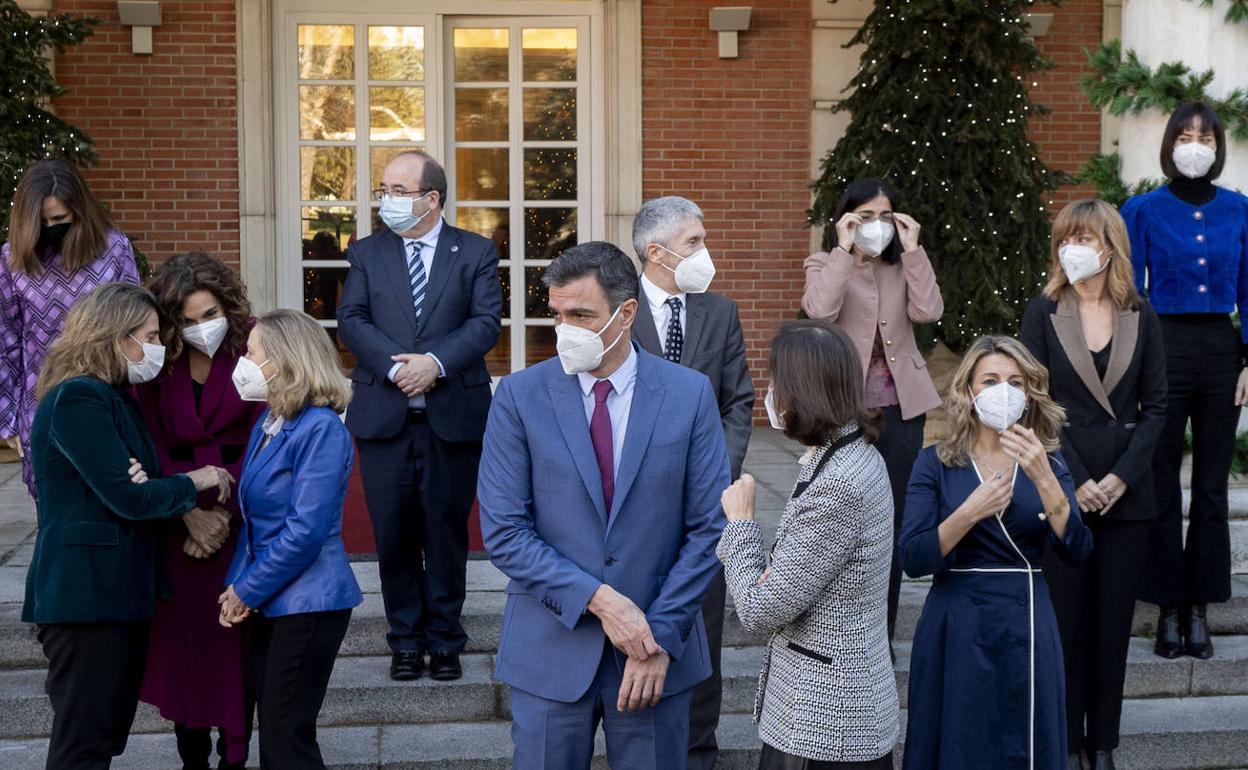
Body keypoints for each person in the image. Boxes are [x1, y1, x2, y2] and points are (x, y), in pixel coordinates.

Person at [477, 242, 729, 770]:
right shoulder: (519, 397)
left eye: (581, 315)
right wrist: (600, 600)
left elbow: (710, 529)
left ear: (626, 313)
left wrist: (656, 636)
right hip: (549, 648)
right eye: (557, 314)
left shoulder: (690, 394)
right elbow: (504, 531)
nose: (564, 328)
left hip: (656, 654)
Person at [21, 282, 233, 770]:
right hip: (85, 597)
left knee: (104, 737)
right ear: (116, 337)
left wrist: (144, 480)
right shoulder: (79, 398)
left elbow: (143, 479)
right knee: (83, 745)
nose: (159, 347)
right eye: (151, 336)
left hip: (118, 596)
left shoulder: (116, 397)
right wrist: (196, 478)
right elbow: (130, 495)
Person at [337, 150, 502, 682]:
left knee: (446, 530)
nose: (387, 200)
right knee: (394, 533)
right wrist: (396, 369)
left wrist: (434, 364)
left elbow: (485, 324)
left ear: (431, 199)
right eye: (384, 189)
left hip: (452, 415)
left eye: (399, 191)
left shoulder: (474, 251)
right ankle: (405, 641)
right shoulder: (366, 252)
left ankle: (447, 639)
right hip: (384, 417)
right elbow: (351, 320)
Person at [899, 335, 1093, 770]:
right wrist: (968, 513)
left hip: (1026, 621)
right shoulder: (935, 463)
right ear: (969, 391)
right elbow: (913, 557)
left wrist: (1045, 481)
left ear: (1028, 395)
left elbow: (1077, 550)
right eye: (989, 380)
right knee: (956, 743)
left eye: (1015, 381)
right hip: (957, 623)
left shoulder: (1049, 462)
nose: (1002, 390)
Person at [1020, 200, 1167, 770]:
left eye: (1081, 237)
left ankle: (1102, 745)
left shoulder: (1141, 312)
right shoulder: (1044, 311)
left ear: (1109, 245)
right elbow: (1035, 404)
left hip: (1128, 496)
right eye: (1063, 238)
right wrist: (1077, 482)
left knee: (1112, 629)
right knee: (1067, 626)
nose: (1070, 248)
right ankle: (1065, 743)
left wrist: (1119, 479)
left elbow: (1157, 408)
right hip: (1064, 492)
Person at [718, 319, 899, 770]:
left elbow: (761, 610)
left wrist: (741, 525)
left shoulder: (839, 484)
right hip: (830, 709)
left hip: (824, 723)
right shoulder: (845, 452)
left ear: (803, 390)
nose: (770, 393)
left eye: (776, 381)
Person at [629, 195, 754, 769]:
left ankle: (699, 751)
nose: (706, 254)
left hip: (707, 505)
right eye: (694, 243)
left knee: (703, 629)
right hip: (636, 502)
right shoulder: (621, 310)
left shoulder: (719, 312)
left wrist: (716, 477)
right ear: (656, 254)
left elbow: (738, 402)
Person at [1120, 101, 1248, 660]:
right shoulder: (1143, 209)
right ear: (1170, 143)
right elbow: (1128, 293)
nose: (1195, 145)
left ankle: (1200, 607)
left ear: (1218, 148)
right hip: (1163, 347)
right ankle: (1168, 607)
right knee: (1163, 481)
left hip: (1222, 351)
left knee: (1213, 489)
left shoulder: (1241, 210)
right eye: (1185, 135)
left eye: (1206, 137)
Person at [135, 252, 266, 770]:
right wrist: (188, 509)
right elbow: (145, 440)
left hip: (243, 518)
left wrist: (226, 511)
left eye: (209, 315)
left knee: (238, 647)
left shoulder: (253, 345)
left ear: (228, 307)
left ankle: (235, 756)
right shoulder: (155, 357)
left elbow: (266, 431)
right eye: (186, 321)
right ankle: (191, 756)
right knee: (186, 647)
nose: (199, 328)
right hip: (180, 524)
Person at [218, 309, 363, 770]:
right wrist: (237, 587)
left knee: (286, 741)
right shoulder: (271, 421)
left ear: (284, 361)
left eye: (253, 353)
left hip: (310, 602)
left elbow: (305, 532)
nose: (244, 362)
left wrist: (247, 589)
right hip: (274, 599)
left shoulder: (321, 428)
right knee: (280, 738)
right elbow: (254, 520)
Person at [801, 177, 944, 644]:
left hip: (901, 408)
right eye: (866, 217)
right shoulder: (824, 262)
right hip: (845, 409)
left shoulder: (904, 266)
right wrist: (845, 250)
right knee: (841, 514)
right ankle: (839, 625)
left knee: (897, 517)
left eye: (885, 216)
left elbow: (929, 312)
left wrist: (914, 248)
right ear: (846, 219)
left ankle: (880, 635)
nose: (877, 226)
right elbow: (818, 311)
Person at [1, 159, 140, 499]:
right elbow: (6, 340)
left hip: (107, 397)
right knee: (55, 508)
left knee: (115, 496)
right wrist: (8, 416)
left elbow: (136, 323)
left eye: (60, 219)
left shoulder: (114, 250)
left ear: (79, 210)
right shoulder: (11, 260)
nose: (51, 227)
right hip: (40, 401)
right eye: (42, 221)